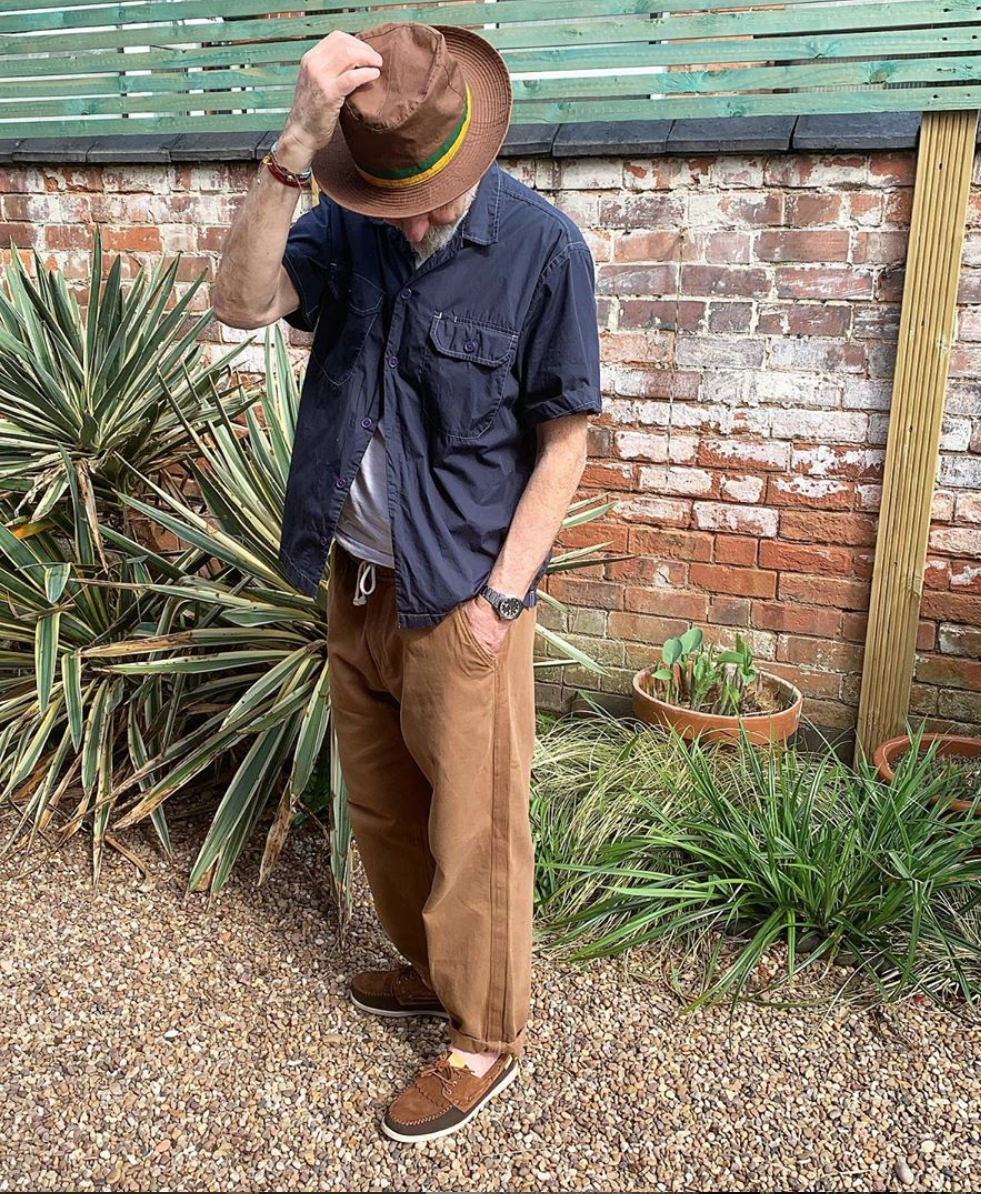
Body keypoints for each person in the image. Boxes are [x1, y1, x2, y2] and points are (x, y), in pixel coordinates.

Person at [211, 20, 600, 1144]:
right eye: (390, 201)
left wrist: (501, 604)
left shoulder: (544, 251)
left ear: (469, 148)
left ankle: (485, 1037)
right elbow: (238, 304)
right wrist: (292, 149)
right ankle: (432, 971)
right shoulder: (347, 220)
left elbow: (564, 445)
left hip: (463, 597)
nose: (411, 222)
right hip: (357, 582)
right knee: (384, 812)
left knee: (476, 831)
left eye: (426, 199)